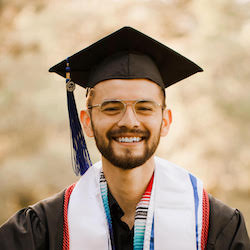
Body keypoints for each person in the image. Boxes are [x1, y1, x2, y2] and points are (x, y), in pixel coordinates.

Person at [0, 27, 249, 250]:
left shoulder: (215, 227)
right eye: (111, 108)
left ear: (165, 121)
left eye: (144, 108)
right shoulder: (39, 231)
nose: (129, 121)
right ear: (87, 122)